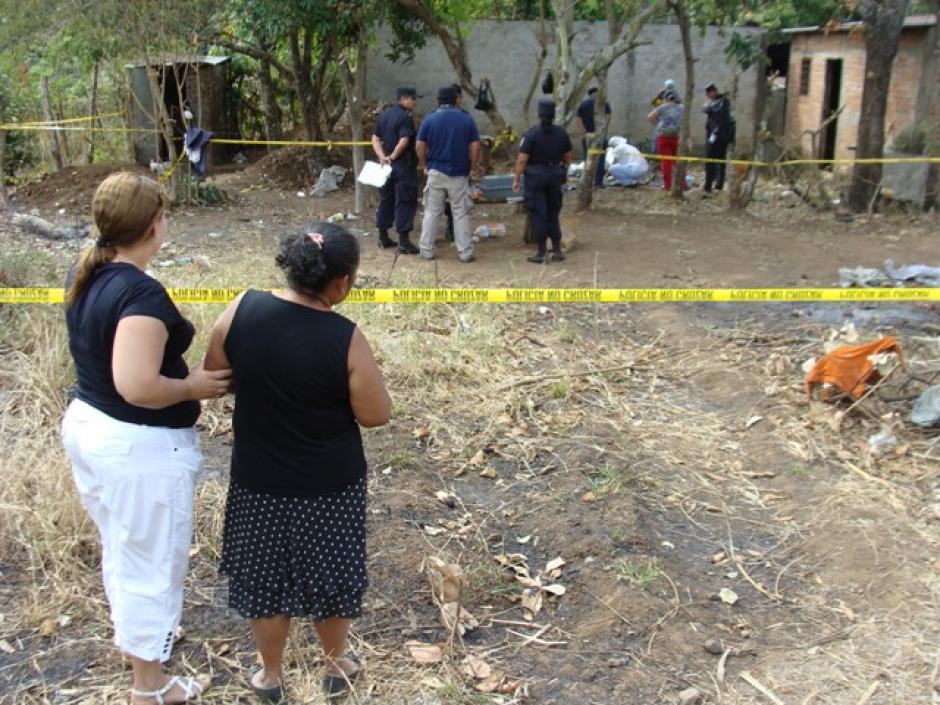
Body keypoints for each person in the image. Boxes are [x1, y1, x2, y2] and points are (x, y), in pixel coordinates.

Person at [60, 172, 232, 705]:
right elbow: (136, 385)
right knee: (151, 564)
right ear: (155, 225)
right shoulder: (139, 292)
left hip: (95, 428)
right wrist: (194, 387)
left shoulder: (92, 270)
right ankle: (150, 688)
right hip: (135, 446)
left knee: (126, 549)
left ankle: (142, 647)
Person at [204, 223, 391, 702]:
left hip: (257, 477)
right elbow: (375, 415)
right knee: (330, 575)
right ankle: (336, 664)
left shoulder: (240, 308)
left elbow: (215, 374)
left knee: (264, 580)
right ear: (342, 282)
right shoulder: (345, 337)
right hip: (328, 484)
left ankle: (270, 676)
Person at [416, 85, 480, 263]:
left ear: (438, 100)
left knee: (431, 212)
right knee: (460, 212)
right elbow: (475, 146)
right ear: (456, 99)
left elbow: (419, 145)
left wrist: (424, 165)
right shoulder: (466, 119)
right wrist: (472, 167)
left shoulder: (429, 119)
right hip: (459, 173)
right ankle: (465, 252)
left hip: (436, 171)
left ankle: (426, 250)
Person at [513, 99, 573, 264]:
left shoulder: (531, 134)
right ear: (553, 115)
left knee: (539, 213)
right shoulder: (561, 133)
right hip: (554, 176)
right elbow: (568, 157)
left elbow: (522, 160)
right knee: (553, 212)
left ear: (539, 114)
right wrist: (563, 171)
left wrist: (517, 178)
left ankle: (541, 251)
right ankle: (556, 250)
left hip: (535, 178)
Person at [371, 86, 420, 253]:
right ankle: (403, 241)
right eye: (413, 99)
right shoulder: (405, 117)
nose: (415, 102)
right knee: (405, 200)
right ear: (404, 99)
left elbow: (375, 138)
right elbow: (405, 140)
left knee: (386, 199)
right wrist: (392, 157)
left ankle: (383, 236)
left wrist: (382, 157)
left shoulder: (384, 115)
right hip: (402, 166)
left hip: (385, 167)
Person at [647, 90, 683, 191]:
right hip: (675, 136)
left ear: (666, 98)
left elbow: (650, 115)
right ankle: (681, 183)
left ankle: (668, 185)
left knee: (666, 162)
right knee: (676, 161)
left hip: (663, 135)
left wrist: (658, 126)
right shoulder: (681, 108)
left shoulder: (662, 105)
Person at [575, 87, 611, 187]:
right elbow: (608, 117)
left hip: (588, 137)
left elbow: (578, 120)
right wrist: (601, 131)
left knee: (587, 158)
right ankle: (598, 182)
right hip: (600, 136)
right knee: (601, 159)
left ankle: (587, 181)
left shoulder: (583, 104)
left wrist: (585, 133)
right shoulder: (604, 104)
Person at [703, 83, 734, 196]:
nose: (708, 97)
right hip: (714, 135)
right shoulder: (716, 102)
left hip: (719, 136)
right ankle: (711, 184)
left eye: (709, 94)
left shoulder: (723, 101)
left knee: (715, 160)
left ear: (714, 92)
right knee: (713, 160)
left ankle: (714, 185)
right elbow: (705, 109)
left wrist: (709, 107)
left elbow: (713, 110)